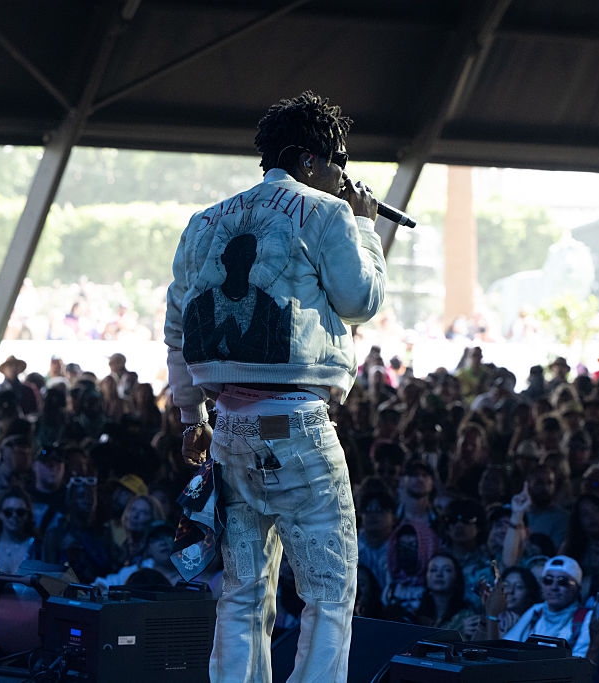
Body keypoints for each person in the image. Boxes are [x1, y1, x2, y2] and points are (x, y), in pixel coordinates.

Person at [165, 91, 384, 683]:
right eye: (338, 161)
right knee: (330, 590)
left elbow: (179, 327)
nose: (344, 177)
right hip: (300, 428)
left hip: (227, 427)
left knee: (240, 590)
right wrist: (364, 224)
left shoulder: (204, 222)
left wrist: (192, 419)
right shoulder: (328, 213)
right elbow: (360, 300)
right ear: (311, 159)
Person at [484, 554, 593, 657]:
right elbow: (506, 648)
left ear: (578, 589)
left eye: (562, 582)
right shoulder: (536, 611)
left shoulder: (587, 618)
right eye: (548, 580)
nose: (554, 587)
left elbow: (581, 661)